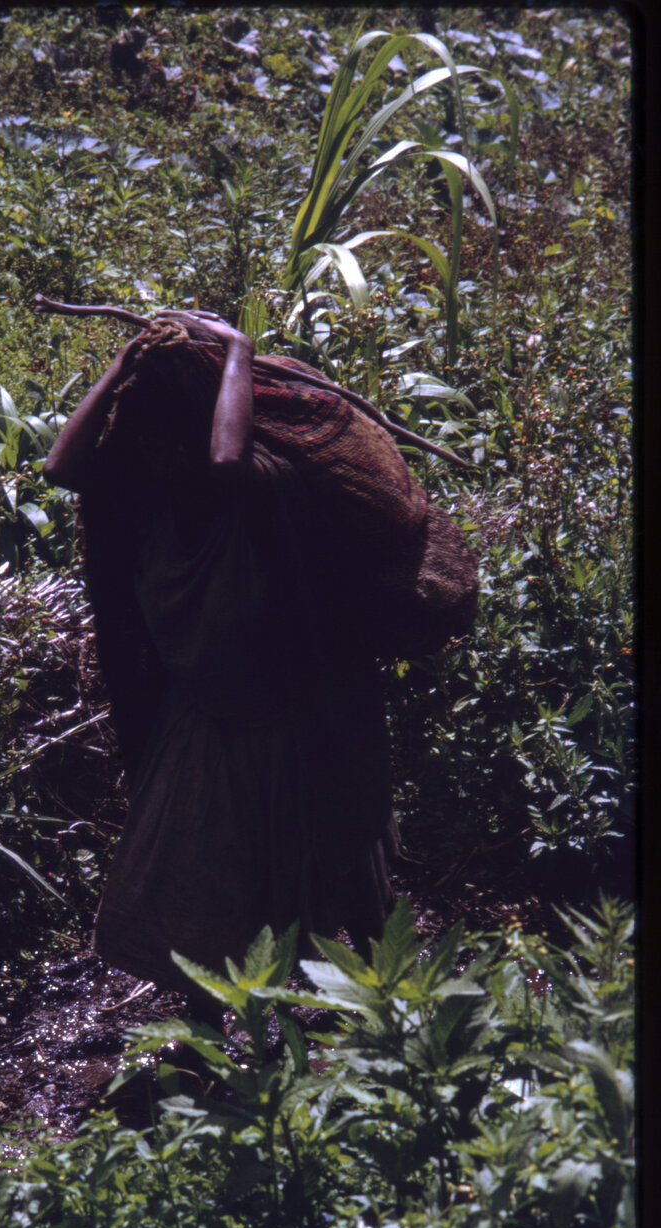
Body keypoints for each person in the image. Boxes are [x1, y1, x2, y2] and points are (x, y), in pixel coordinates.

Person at [37, 306, 476, 1004]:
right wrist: (127, 361)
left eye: (172, 428)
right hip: (207, 719)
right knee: (202, 881)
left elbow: (225, 462)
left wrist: (236, 349)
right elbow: (62, 466)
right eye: (145, 431)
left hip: (295, 713)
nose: (157, 448)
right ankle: (213, 1029)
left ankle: (372, 1013)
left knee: (330, 879)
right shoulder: (144, 492)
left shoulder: (260, 485)